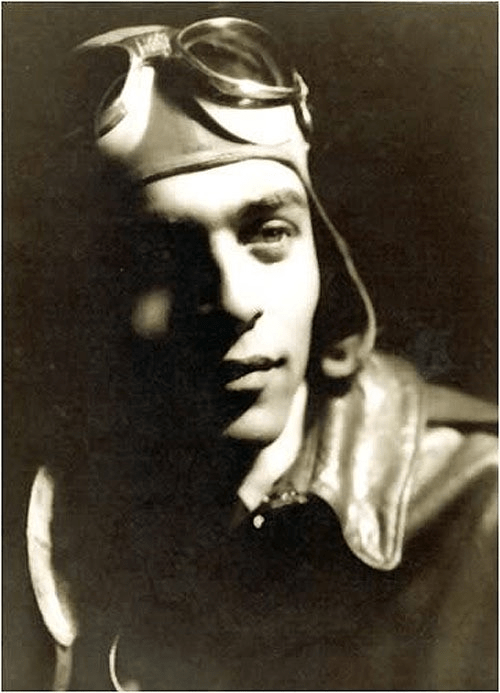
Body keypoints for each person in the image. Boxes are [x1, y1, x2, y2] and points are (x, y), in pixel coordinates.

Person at [19, 15, 497, 691]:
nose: (234, 300)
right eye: (164, 254)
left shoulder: (481, 513)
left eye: (268, 232)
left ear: (324, 258)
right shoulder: (47, 524)